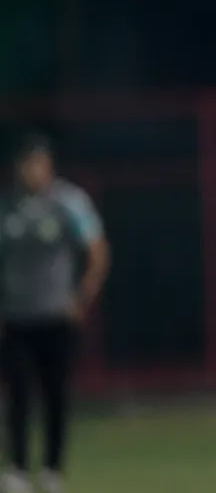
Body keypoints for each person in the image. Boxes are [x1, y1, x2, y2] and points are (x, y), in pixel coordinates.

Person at [0, 135, 109, 493]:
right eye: (26, 163)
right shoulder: (7, 206)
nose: (32, 171)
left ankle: (52, 469)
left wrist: (80, 299)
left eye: (38, 163)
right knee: (17, 394)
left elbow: (97, 250)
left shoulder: (68, 202)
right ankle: (16, 468)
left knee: (55, 394)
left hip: (56, 317)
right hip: (16, 316)